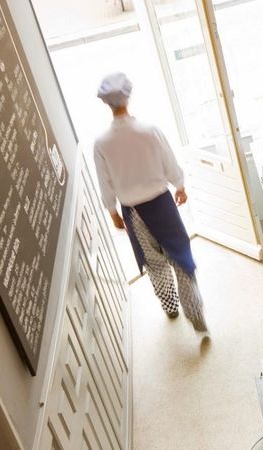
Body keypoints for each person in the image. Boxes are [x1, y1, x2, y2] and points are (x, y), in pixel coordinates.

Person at [92, 72, 208, 334]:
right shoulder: (149, 131)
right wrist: (179, 186)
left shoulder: (101, 143)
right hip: (162, 205)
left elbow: (105, 182)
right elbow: (169, 163)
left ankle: (170, 306)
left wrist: (112, 212)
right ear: (128, 97)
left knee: (154, 264)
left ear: (105, 103)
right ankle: (195, 312)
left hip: (133, 212)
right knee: (180, 257)